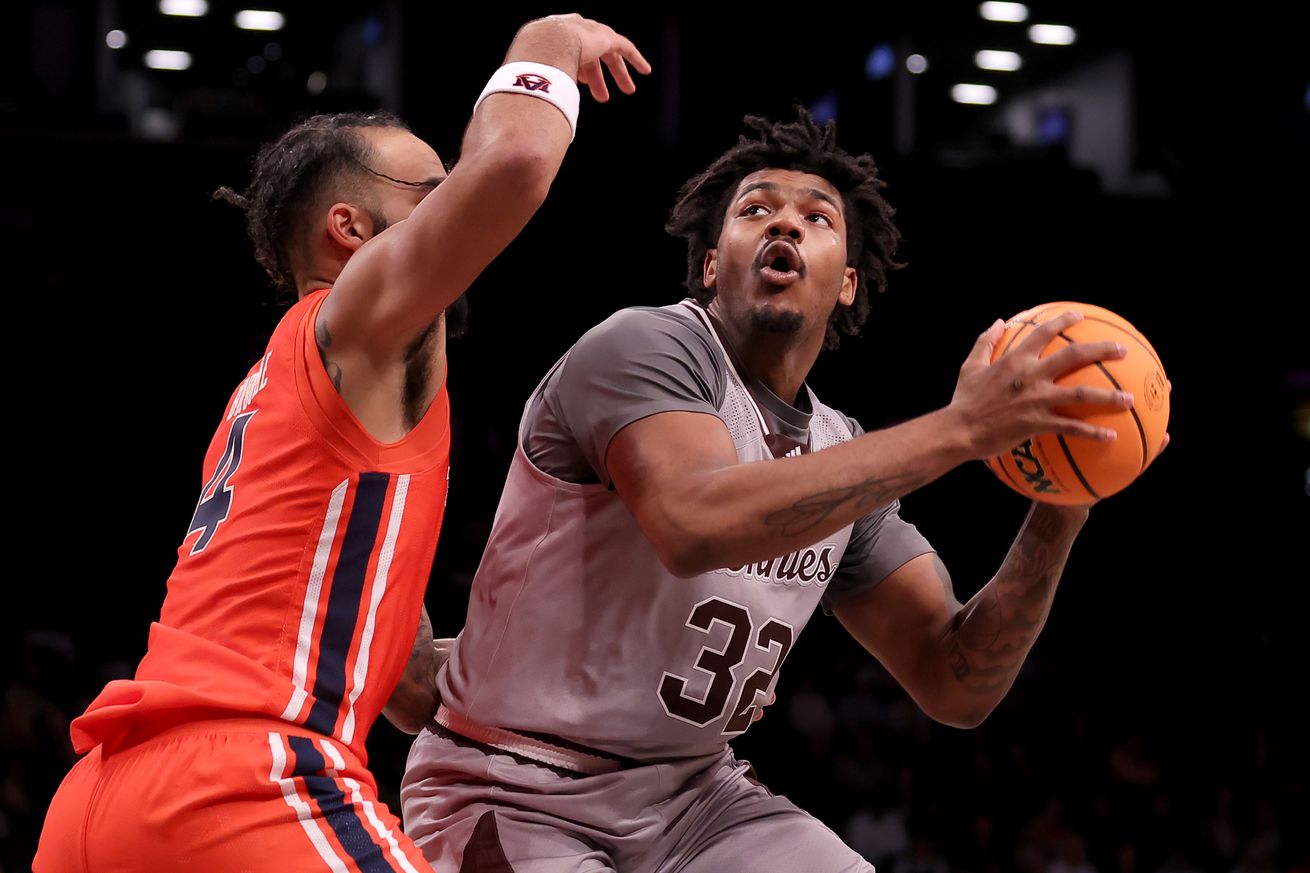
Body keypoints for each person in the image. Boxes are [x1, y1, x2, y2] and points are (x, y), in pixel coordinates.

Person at [400, 109, 1167, 872]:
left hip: (695, 796)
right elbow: (694, 523)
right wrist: (963, 427)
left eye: (817, 218)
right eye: (756, 209)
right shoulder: (647, 346)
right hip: (517, 781)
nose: (786, 226)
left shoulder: (843, 453)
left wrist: (1066, 500)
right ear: (709, 264)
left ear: (848, 284)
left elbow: (955, 678)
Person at [33, 14, 649, 871]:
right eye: (433, 197)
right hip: (246, 779)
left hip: (101, 801)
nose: (456, 215)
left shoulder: (283, 395)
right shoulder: (354, 317)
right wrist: (546, 41)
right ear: (351, 234)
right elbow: (512, 163)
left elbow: (406, 687)